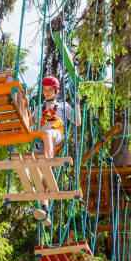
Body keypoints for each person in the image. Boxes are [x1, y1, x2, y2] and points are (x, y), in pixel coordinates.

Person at [32, 76, 81, 225]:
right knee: (39, 174)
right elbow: (29, 123)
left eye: (50, 90)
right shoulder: (39, 108)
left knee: (48, 133)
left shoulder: (62, 106)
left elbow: (77, 122)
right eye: (45, 90)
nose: (47, 92)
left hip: (56, 134)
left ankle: (47, 162)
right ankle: (45, 209)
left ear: (56, 90)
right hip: (41, 141)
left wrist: (78, 103)